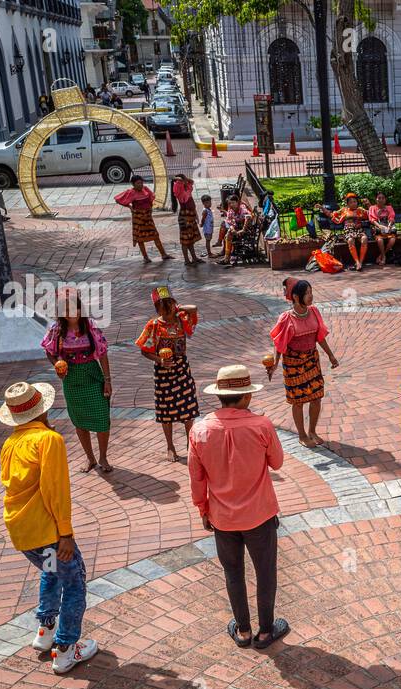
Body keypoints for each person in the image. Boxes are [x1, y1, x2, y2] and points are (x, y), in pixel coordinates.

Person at [0, 380, 98, 674]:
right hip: (49, 532)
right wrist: (65, 533)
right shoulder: (48, 440)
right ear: (42, 411)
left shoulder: (10, 443)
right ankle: (66, 649)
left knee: (50, 571)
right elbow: (55, 490)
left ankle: (46, 630)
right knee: (75, 583)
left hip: (22, 531)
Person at [189, 363, 290, 650]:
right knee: (265, 572)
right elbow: (277, 462)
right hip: (260, 514)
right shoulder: (261, 425)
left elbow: (196, 478)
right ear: (246, 397)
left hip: (222, 517)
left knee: (233, 572)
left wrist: (203, 509)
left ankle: (243, 631)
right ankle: (266, 632)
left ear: (220, 395)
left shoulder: (200, 430)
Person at [42, 288, 112, 474]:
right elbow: (49, 351)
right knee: (80, 421)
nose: (71, 313)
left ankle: (103, 456)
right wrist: (57, 363)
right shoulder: (56, 330)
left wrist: (107, 380)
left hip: (92, 375)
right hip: (71, 379)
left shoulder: (90, 326)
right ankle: (90, 458)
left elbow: (103, 354)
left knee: (102, 418)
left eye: (74, 308)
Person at [266, 278, 339, 447]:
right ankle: (302, 435)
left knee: (316, 397)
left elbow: (319, 337)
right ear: (296, 297)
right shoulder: (286, 318)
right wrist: (275, 364)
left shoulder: (314, 312)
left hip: (312, 360)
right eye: (307, 293)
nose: (311, 296)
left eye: (311, 292)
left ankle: (312, 430)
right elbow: (279, 344)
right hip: (293, 364)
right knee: (298, 401)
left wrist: (331, 356)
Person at [135, 286, 200, 460]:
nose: (168, 308)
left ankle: (189, 442)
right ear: (157, 309)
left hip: (182, 368)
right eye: (163, 305)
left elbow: (194, 309)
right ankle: (170, 446)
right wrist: (160, 360)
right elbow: (144, 350)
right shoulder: (154, 325)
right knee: (166, 411)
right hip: (163, 372)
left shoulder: (182, 319)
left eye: (170, 303)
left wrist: (178, 308)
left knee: (188, 407)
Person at [115, 175, 172, 263]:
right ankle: (145, 257)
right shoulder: (131, 192)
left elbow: (151, 198)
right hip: (138, 218)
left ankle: (163, 254)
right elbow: (118, 199)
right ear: (133, 184)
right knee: (140, 239)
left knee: (155, 236)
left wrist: (150, 208)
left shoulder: (145, 189)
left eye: (141, 182)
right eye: (138, 183)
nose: (140, 185)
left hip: (148, 217)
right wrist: (130, 207)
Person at [331, 192, 369, 271]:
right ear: (347, 204)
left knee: (364, 238)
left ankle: (360, 262)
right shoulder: (344, 210)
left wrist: (368, 204)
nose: (353, 203)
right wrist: (322, 208)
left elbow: (371, 213)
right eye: (351, 202)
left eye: (354, 201)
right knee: (350, 240)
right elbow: (333, 214)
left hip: (358, 230)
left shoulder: (360, 210)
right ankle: (357, 262)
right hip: (348, 230)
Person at [171, 174, 200, 265]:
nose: (185, 181)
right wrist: (178, 179)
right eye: (182, 181)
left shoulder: (187, 187)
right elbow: (178, 183)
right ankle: (186, 260)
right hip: (184, 217)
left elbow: (191, 181)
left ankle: (194, 258)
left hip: (190, 216)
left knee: (190, 240)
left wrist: (196, 215)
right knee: (185, 241)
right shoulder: (178, 190)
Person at [219, 191, 252, 266]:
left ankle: (227, 257)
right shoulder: (231, 210)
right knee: (228, 234)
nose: (231, 205)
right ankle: (226, 256)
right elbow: (229, 221)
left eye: (233, 202)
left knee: (227, 235)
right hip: (237, 228)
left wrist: (243, 229)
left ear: (237, 202)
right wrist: (232, 228)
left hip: (246, 229)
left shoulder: (242, 209)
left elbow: (248, 217)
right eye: (230, 203)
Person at [368, 191, 397, 265]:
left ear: (385, 199)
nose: (381, 200)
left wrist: (389, 226)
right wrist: (380, 226)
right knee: (380, 240)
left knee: (393, 239)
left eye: (383, 198)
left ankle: (381, 255)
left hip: (388, 227)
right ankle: (384, 257)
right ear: (376, 199)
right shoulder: (372, 208)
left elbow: (391, 218)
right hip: (378, 227)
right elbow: (372, 220)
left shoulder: (389, 208)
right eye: (379, 198)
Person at [200, 193, 216, 258]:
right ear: (203, 203)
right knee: (208, 240)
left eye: (209, 202)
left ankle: (209, 252)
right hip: (207, 229)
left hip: (209, 228)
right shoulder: (205, 211)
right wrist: (201, 224)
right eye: (207, 203)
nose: (209, 204)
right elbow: (203, 219)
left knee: (209, 240)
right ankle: (209, 253)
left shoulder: (208, 209)